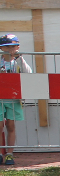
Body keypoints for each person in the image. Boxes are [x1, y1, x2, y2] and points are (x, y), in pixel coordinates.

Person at [0, 35, 31, 166]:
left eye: (12, 46)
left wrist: (19, 58)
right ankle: (0, 153)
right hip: (0, 98)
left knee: (11, 126)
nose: (9, 50)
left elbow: (28, 73)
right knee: (0, 126)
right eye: (6, 47)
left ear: (17, 47)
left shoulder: (18, 61)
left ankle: (10, 154)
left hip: (13, 99)